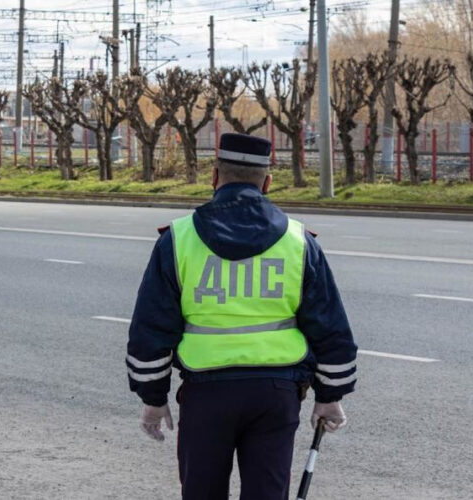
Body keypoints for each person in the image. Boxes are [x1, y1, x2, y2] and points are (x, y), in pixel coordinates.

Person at [126, 133, 357, 500]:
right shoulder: (299, 242)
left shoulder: (178, 239)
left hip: (205, 394)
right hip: (276, 394)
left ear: (214, 177)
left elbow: (151, 328)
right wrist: (330, 395)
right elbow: (330, 327)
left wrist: (153, 399)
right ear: (267, 182)